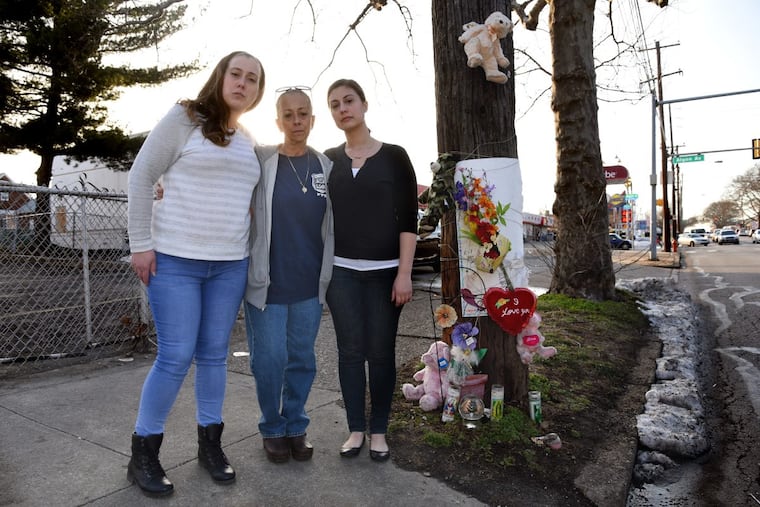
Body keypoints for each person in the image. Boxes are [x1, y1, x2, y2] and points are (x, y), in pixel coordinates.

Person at [126, 51, 265, 496]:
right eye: (236, 74)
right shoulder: (184, 117)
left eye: (253, 79)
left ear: (258, 91)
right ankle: (143, 453)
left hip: (229, 265)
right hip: (175, 261)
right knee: (175, 355)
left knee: (213, 355)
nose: (243, 83)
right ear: (220, 77)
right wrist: (140, 245)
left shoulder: (246, 138)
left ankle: (210, 447)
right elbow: (142, 175)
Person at [324, 79, 418, 462]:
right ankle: (355, 430)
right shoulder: (327, 159)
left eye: (349, 101)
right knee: (349, 353)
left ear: (364, 105)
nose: (343, 108)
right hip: (341, 273)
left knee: (380, 353)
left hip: (385, 274)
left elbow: (408, 219)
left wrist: (404, 274)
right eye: (334, 105)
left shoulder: (395, 157)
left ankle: (379, 430)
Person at [245, 87, 333, 463]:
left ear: (313, 120)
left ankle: (295, 424)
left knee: (302, 359)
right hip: (267, 283)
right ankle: (272, 426)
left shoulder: (327, 167)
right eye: (289, 115)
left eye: (303, 114)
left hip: (309, 284)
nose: (296, 121)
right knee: (268, 359)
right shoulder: (260, 160)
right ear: (278, 121)